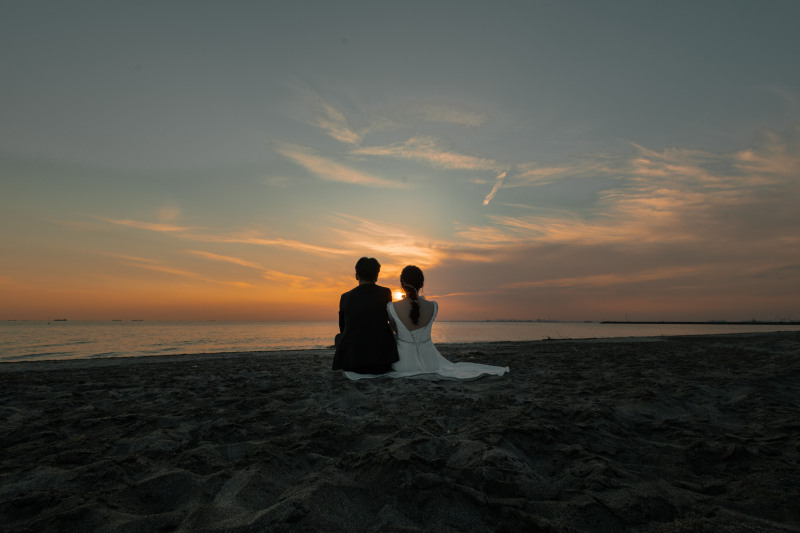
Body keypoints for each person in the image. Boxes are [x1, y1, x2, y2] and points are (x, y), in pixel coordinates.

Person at [344, 265, 509, 380]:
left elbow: (394, 331)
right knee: (455, 367)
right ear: (422, 284)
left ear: (401, 284)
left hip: (403, 365)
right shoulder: (434, 306)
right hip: (431, 363)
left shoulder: (391, 307)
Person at [332, 257, 399, 374]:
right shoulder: (385, 293)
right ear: (376, 276)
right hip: (382, 363)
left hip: (353, 364)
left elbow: (343, 328)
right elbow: (389, 319)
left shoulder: (345, 297)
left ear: (356, 275)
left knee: (339, 337)